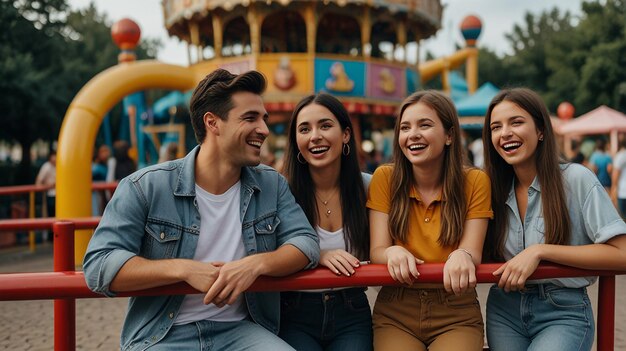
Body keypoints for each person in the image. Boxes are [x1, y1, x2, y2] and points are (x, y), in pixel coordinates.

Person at [83, 69, 320, 351]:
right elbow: (99, 265)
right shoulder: (145, 186)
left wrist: (254, 265)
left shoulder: (271, 184)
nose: (264, 130)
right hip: (162, 335)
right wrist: (183, 269)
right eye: (250, 118)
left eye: (264, 119)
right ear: (213, 122)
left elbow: (306, 243)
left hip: (243, 331)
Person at [482, 88, 626, 351]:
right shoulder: (489, 188)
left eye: (516, 122)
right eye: (495, 127)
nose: (505, 133)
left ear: (541, 131)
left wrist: (540, 251)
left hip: (562, 311)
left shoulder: (576, 180)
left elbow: (622, 253)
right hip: (504, 309)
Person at [367, 90, 492, 350]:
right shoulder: (385, 178)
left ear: (449, 135)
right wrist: (392, 251)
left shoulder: (475, 181)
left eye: (424, 125)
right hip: (397, 308)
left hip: (455, 309)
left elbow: (473, 249)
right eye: (405, 127)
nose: (412, 134)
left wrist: (464, 254)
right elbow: (377, 250)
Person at [279, 93, 372, 350]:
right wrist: (315, 253)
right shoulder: (282, 192)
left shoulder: (369, 187)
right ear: (296, 140)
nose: (315, 136)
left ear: (345, 135)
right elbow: (269, 249)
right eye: (304, 129)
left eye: (325, 125)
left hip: (351, 310)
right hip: (294, 311)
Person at [35, 151, 56, 218]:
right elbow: (38, 181)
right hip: (50, 194)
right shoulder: (46, 166)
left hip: (60, 194)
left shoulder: (60, 165)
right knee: (51, 214)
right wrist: (48, 185)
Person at [613, 137, 626, 217]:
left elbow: (615, 175)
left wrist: (613, 191)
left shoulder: (620, 155)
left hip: (623, 192)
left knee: (622, 219)